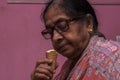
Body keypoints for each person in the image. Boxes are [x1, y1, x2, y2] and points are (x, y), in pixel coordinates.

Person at [31, 0, 120, 80]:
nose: (55, 37)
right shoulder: (68, 67)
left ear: (88, 23)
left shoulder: (113, 58)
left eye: (62, 26)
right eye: (50, 32)